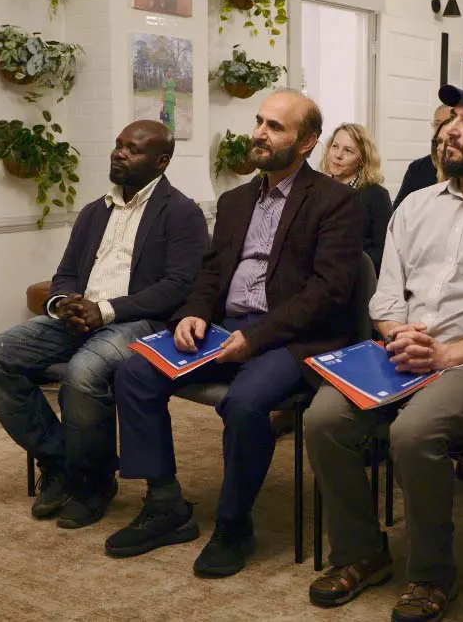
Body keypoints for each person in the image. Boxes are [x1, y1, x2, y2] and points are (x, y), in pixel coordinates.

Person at [304, 81, 463, 622]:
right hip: (402, 348)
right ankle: (361, 552)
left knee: (414, 433)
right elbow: (387, 292)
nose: (450, 129)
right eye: (451, 118)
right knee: (323, 418)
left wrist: (444, 355)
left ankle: (432, 573)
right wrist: (400, 334)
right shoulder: (416, 205)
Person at [105, 90, 364, 578]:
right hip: (226, 327)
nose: (261, 133)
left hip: (294, 336)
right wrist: (194, 313)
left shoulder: (335, 202)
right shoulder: (235, 199)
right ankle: (165, 505)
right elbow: (209, 273)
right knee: (135, 373)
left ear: (308, 142)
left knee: (245, 404)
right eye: (260, 122)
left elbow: (329, 293)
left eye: (276, 127)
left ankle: (233, 525)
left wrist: (258, 336)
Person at [0, 121, 207, 529]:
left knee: (83, 373)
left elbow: (178, 287)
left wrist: (107, 310)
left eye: (132, 149)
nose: (119, 153)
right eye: (118, 145)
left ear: (161, 161)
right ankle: (61, 461)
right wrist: (63, 301)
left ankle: (93, 483)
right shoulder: (92, 211)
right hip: (80, 317)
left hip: (139, 321)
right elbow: (66, 273)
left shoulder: (182, 212)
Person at [320, 123, 393, 274]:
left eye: (348, 150)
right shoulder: (317, 190)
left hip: (357, 279)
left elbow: (384, 252)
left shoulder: (377, 196)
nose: (338, 155)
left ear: (361, 160)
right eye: (335, 146)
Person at [393, 104, 452, 209]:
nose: (442, 128)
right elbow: (399, 210)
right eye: (438, 123)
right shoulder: (417, 168)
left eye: (448, 122)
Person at [161, 67, 176, 133]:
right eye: (169, 71)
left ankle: (171, 129)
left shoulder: (172, 79)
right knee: (167, 114)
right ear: (166, 72)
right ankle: (166, 129)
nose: (170, 73)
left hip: (172, 100)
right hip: (167, 100)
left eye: (171, 71)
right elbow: (163, 91)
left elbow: (173, 90)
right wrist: (163, 102)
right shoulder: (165, 80)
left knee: (172, 115)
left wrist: (174, 99)